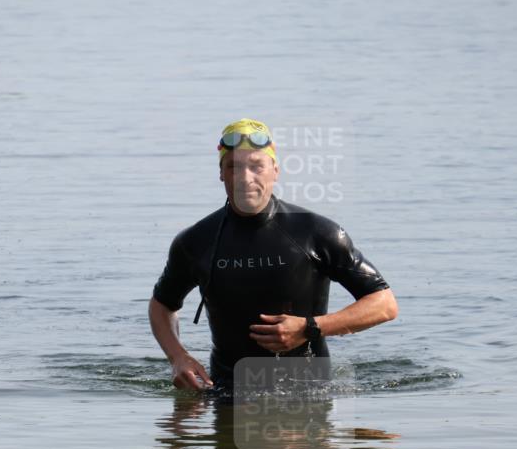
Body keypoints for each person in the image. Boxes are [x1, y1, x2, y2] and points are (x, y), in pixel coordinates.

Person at [149, 118, 398, 390]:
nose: (245, 178)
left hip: (309, 394)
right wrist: (177, 357)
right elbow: (162, 305)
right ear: (221, 173)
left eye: (256, 166)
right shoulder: (195, 241)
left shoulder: (316, 232)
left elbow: (384, 303)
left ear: (275, 171)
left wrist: (310, 328)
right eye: (233, 166)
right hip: (226, 394)